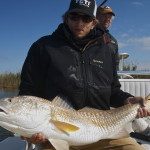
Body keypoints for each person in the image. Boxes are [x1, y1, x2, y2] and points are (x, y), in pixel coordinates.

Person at [19, 0, 150, 149]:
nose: (79, 23)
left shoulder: (106, 50)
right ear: (66, 18)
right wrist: (31, 128)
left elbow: (113, 90)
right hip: (55, 134)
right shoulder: (43, 47)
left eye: (86, 19)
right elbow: (28, 91)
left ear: (94, 23)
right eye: (74, 16)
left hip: (103, 132)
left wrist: (127, 99)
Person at [96, 5, 119, 70]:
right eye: (104, 16)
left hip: (108, 79)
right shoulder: (88, 35)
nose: (107, 19)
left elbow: (116, 63)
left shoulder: (113, 41)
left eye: (109, 17)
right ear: (96, 17)